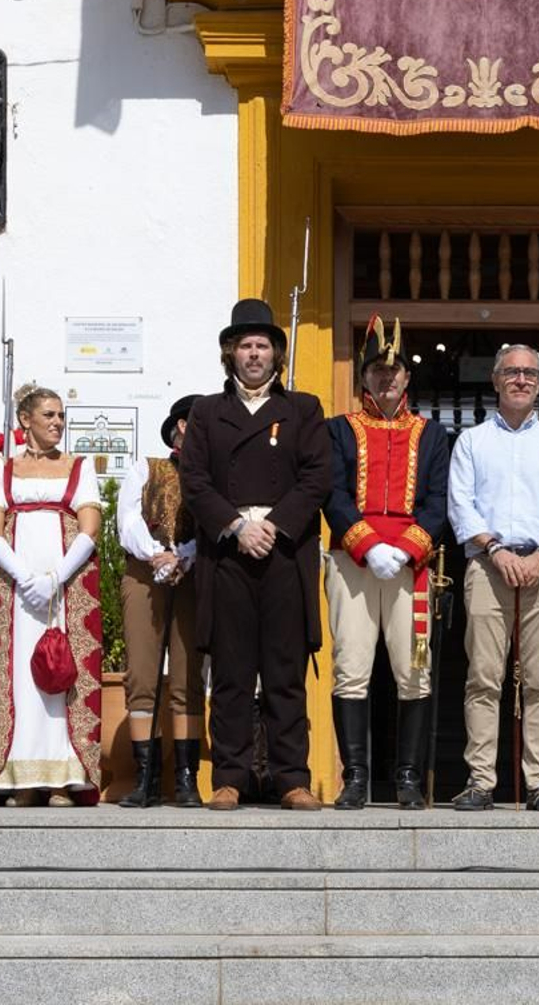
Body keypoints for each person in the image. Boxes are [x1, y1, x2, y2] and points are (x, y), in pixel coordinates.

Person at [181, 299, 332, 812]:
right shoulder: (205, 411)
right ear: (229, 352)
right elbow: (194, 481)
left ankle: (292, 778)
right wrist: (236, 526)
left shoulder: (303, 409)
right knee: (232, 670)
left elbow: (316, 478)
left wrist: (273, 525)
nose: (253, 354)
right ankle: (230, 776)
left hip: (284, 549)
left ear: (277, 353)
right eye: (244, 345)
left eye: (262, 345)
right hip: (228, 550)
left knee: (285, 669)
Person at [447, 343, 539, 811]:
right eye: (512, 372)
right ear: (496, 380)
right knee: (484, 676)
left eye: (529, 373)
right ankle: (481, 780)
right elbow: (460, 504)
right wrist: (496, 548)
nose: (521, 379)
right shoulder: (471, 442)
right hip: (488, 565)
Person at [323, 315, 449, 811]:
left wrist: (409, 546)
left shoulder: (433, 434)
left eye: (394, 371)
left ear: (407, 378)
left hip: (410, 564)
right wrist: (367, 544)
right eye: (378, 369)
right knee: (351, 668)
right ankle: (355, 777)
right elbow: (331, 492)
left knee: (412, 671)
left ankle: (409, 779)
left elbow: (439, 501)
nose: (387, 378)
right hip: (353, 561)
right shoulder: (339, 430)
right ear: (364, 377)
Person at [0, 385, 104, 806]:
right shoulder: (2, 469)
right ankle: (20, 775)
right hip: (17, 585)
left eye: (61, 416)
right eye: (48, 415)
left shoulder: (79, 466)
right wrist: (23, 576)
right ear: (26, 420)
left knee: (63, 672)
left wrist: (56, 577)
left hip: (64, 582)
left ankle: (63, 777)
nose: (57, 423)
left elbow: (89, 524)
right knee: (18, 674)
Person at [116, 393, 205, 809]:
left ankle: (187, 778)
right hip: (144, 573)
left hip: (191, 576)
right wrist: (156, 552)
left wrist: (184, 556)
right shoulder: (146, 468)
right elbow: (128, 518)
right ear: (183, 427)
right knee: (142, 674)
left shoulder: (213, 477)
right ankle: (145, 776)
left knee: (188, 675)